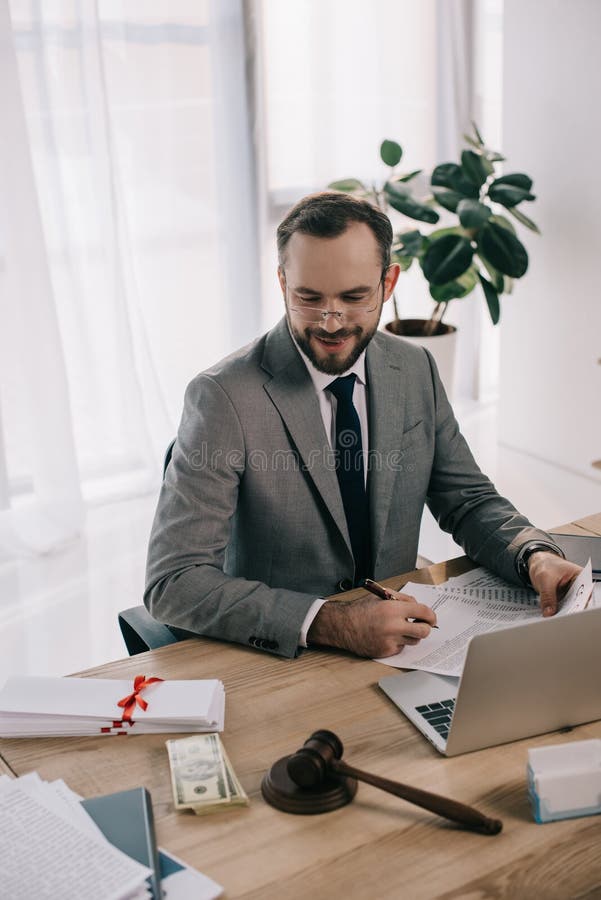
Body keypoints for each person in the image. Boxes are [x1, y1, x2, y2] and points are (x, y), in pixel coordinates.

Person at [144, 192, 580, 659]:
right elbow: (174, 581)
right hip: (286, 655)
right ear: (282, 282)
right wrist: (333, 623)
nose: (331, 322)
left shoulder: (415, 368)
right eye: (309, 298)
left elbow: (467, 500)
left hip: (401, 644)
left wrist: (533, 555)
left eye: (354, 297)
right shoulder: (222, 397)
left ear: (388, 283)